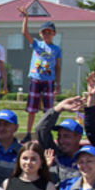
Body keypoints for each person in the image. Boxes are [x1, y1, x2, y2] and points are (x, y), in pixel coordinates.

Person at [20, 9, 60, 138]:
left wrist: (57, 84)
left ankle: (45, 131)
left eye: (49, 32)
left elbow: (58, 66)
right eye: (44, 32)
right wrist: (26, 17)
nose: (46, 34)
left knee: (48, 109)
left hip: (49, 80)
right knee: (32, 108)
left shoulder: (56, 49)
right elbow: (24, 33)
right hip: (36, 78)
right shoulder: (37, 44)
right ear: (40, 34)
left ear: (54, 33)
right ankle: (28, 132)